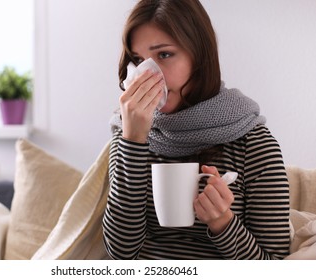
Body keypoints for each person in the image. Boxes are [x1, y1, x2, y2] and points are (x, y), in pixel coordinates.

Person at [102, 0, 290, 260]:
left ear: (200, 56)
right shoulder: (129, 133)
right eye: (138, 60)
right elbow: (120, 254)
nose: (148, 75)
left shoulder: (254, 144)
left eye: (164, 55)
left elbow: (279, 267)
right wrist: (133, 141)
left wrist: (223, 223)